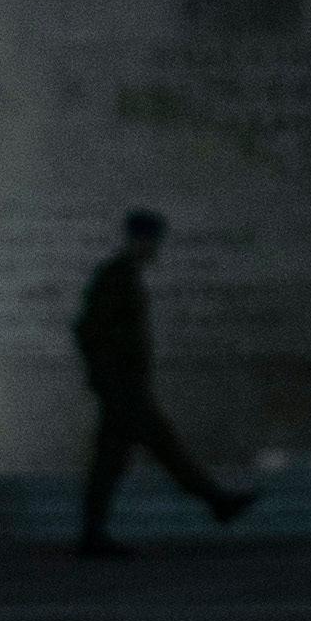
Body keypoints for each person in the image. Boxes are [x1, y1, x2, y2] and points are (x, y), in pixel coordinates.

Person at [71, 210, 254, 556]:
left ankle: (93, 535)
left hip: (124, 387)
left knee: (113, 461)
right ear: (141, 240)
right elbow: (89, 331)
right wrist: (107, 379)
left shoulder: (122, 275)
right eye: (153, 241)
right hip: (123, 389)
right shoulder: (117, 276)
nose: (156, 249)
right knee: (162, 448)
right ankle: (217, 501)